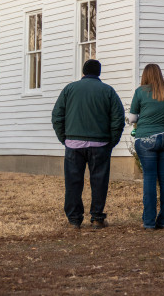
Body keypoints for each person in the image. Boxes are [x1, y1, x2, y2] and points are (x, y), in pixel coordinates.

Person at [51, 59, 125, 229]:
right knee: (99, 182)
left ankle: (74, 220)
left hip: (73, 143)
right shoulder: (108, 91)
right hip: (100, 144)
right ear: (99, 73)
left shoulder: (69, 89)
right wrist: (111, 141)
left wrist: (65, 138)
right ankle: (97, 218)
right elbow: (118, 119)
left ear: (83, 72)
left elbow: (57, 116)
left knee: (73, 182)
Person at [128, 64, 164, 230]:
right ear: (160, 74)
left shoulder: (140, 92)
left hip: (146, 139)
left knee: (150, 179)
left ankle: (149, 222)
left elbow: (132, 118)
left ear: (145, 76)